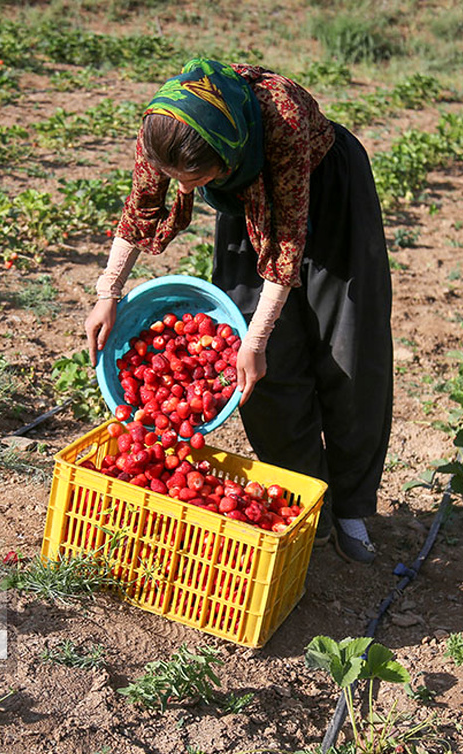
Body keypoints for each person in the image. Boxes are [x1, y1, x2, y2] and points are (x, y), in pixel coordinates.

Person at [84, 58, 392, 565]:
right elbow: (140, 206)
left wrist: (257, 339)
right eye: (175, 178)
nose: (183, 191)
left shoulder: (282, 120)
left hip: (327, 194)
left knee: (349, 350)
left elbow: (287, 241)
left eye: (194, 179)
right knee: (254, 374)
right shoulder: (166, 128)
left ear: (225, 155)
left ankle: (351, 507)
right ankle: (304, 498)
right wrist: (108, 291)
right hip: (245, 200)